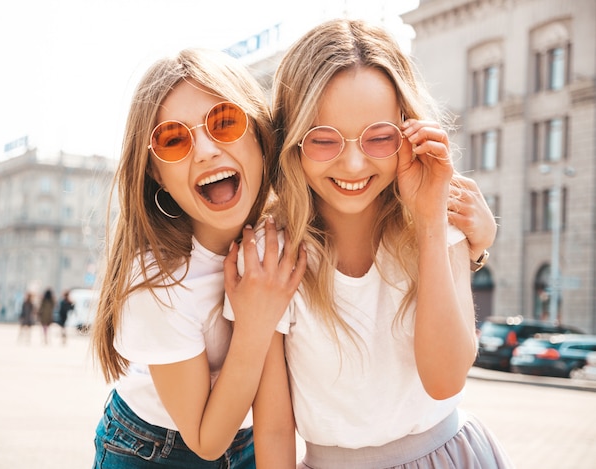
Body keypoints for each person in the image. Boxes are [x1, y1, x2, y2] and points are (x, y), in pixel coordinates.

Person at [267, 19, 512, 468]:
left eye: (379, 137)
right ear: (291, 140)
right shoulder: (276, 256)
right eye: (324, 140)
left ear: (408, 128)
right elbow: (276, 428)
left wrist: (430, 220)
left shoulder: (442, 216)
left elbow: (445, 380)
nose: (355, 163)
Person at [91, 48, 306, 469]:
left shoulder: (279, 236)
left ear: (260, 133)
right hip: (153, 449)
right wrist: (255, 323)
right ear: (156, 174)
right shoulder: (157, 281)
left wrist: (475, 239)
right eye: (174, 139)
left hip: (248, 441)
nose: (206, 150)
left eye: (225, 122)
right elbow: (206, 440)